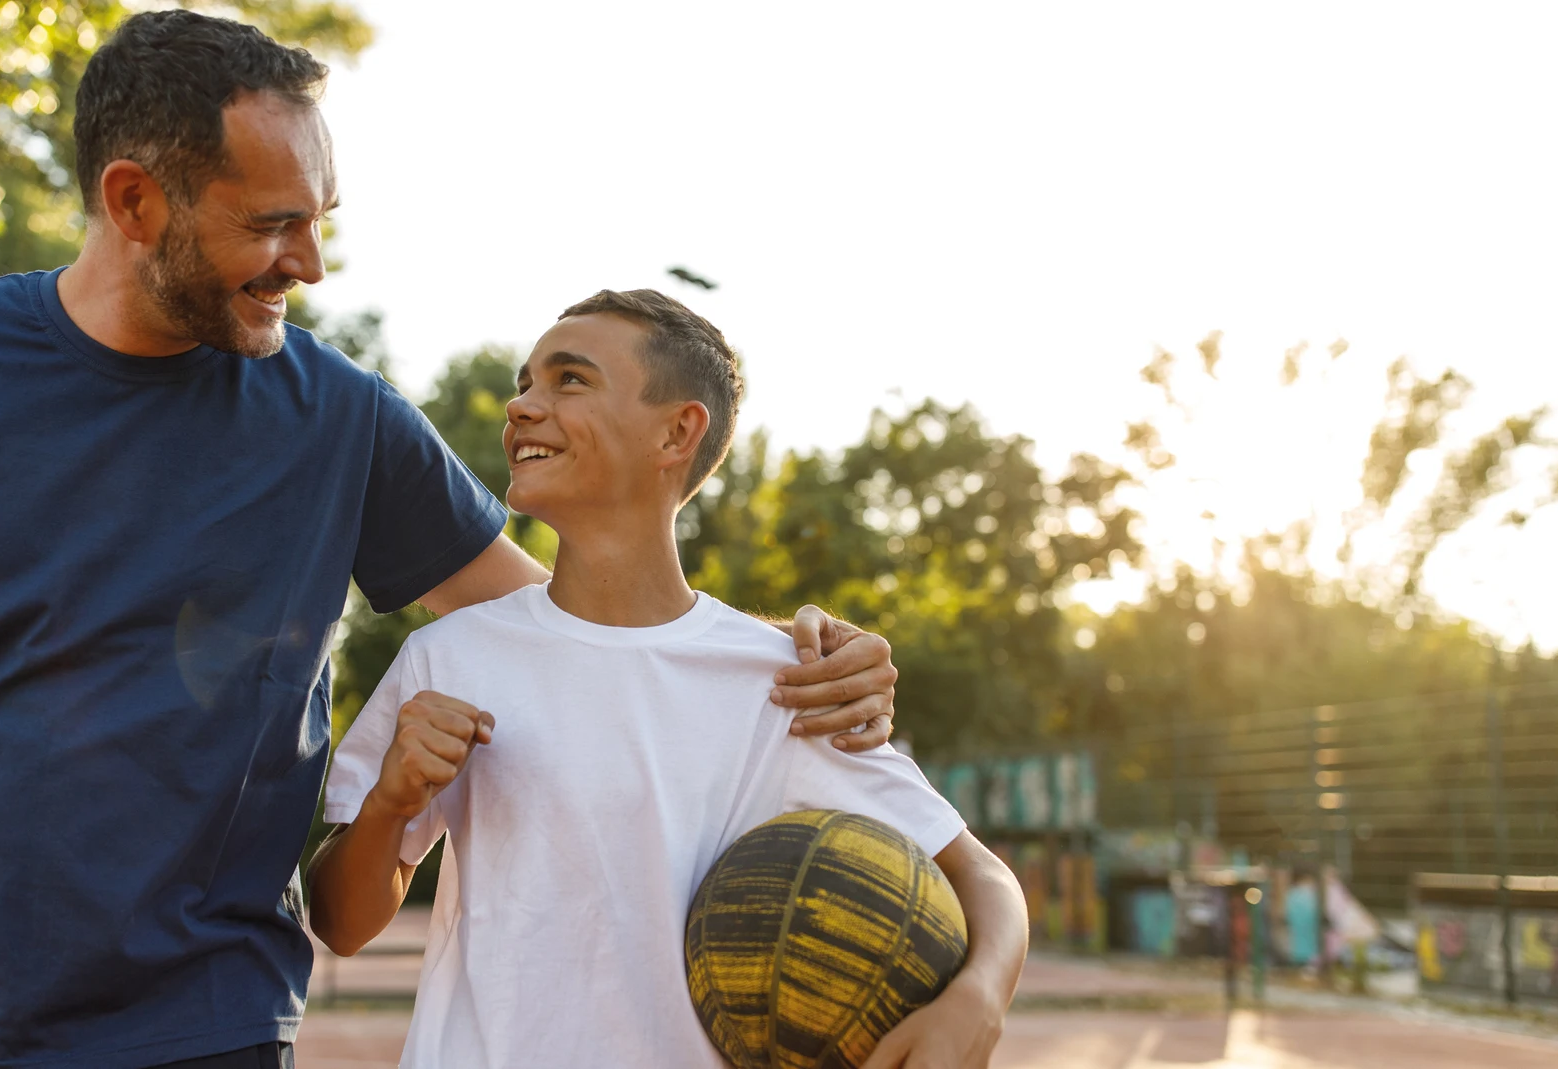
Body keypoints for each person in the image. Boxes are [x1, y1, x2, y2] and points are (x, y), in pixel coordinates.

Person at [0, 12, 902, 1069]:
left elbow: (582, 633)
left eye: (320, 221)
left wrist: (789, 661)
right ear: (134, 202)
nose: (311, 264)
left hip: (200, 1029)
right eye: (273, 225)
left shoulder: (345, 423)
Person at [308, 290, 1029, 1069]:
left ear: (678, 431)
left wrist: (979, 997)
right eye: (525, 383)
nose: (522, 406)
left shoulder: (783, 682)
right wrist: (390, 804)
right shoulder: (448, 656)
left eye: (569, 380)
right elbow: (340, 922)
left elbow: (981, 874)